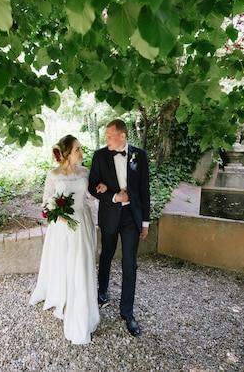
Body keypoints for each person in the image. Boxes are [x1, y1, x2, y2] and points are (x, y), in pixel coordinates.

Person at [29, 134, 100, 345]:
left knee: (80, 262)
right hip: (61, 226)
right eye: (77, 149)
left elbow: (91, 196)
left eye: (80, 149)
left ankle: (80, 298)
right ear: (67, 153)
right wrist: (54, 210)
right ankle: (63, 295)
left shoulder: (85, 172)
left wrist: (99, 193)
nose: (81, 152)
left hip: (82, 222)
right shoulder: (53, 175)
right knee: (64, 261)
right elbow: (45, 201)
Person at [88, 119, 150, 336]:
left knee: (130, 263)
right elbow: (92, 186)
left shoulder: (139, 156)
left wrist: (145, 222)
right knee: (106, 255)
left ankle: (127, 312)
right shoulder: (99, 155)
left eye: (109, 136)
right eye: (105, 136)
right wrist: (113, 196)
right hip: (110, 214)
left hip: (132, 217)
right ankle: (102, 291)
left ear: (122, 136)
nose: (106, 140)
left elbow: (144, 190)